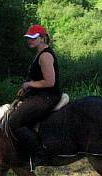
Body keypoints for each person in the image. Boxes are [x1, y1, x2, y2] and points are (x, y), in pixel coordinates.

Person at [8, 24, 62, 159]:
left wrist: (29, 84)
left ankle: (39, 153)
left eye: (33, 38)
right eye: (28, 38)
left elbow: (50, 82)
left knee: (15, 123)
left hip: (48, 96)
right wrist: (27, 87)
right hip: (40, 95)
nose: (29, 41)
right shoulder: (39, 54)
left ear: (43, 38)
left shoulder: (45, 56)